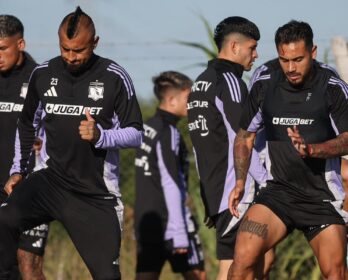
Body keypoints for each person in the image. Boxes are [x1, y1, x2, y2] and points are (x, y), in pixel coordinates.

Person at [0, 6, 143, 280]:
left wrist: (101, 136)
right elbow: (26, 124)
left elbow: (136, 133)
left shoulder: (114, 77)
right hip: (51, 180)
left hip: (95, 193)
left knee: (107, 276)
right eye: (65, 49)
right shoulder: (44, 74)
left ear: (95, 43)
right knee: (6, 218)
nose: (71, 57)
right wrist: (17, 170)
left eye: (79, 51)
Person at [229, 20, 348, 280]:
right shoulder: (265, 80)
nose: (291, 68)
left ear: (313, 52)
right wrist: (239, 182)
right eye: (284, 60)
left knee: (335, 273)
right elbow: (244, 136)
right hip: (278, 193)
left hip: (321, 197)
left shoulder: (331, 86)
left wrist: (313, 149)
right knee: (242, 261)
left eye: (298, 59)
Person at [187, 16, 269, 280]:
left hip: (215, 187)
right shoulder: (230, 81)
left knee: (258, 258)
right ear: (234, 47)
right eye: (252, 48)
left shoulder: (202, 80)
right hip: (236, 190)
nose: (256, 55)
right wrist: (267, 180)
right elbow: (242, 138)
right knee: (241, 264)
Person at [0, 15, 49, 279]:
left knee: (30, 266)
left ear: (21, 44)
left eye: (2, 48)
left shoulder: (41, 80)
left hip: (29, 187)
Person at [134, 71, 206, 280]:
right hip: (171, 223)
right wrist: (179, 232)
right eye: (188, 98)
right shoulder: (168, 133)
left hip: (147, 222)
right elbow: (171, 181)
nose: (191, 103)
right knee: (198, 275)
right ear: (172, 99)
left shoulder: (147, 128)